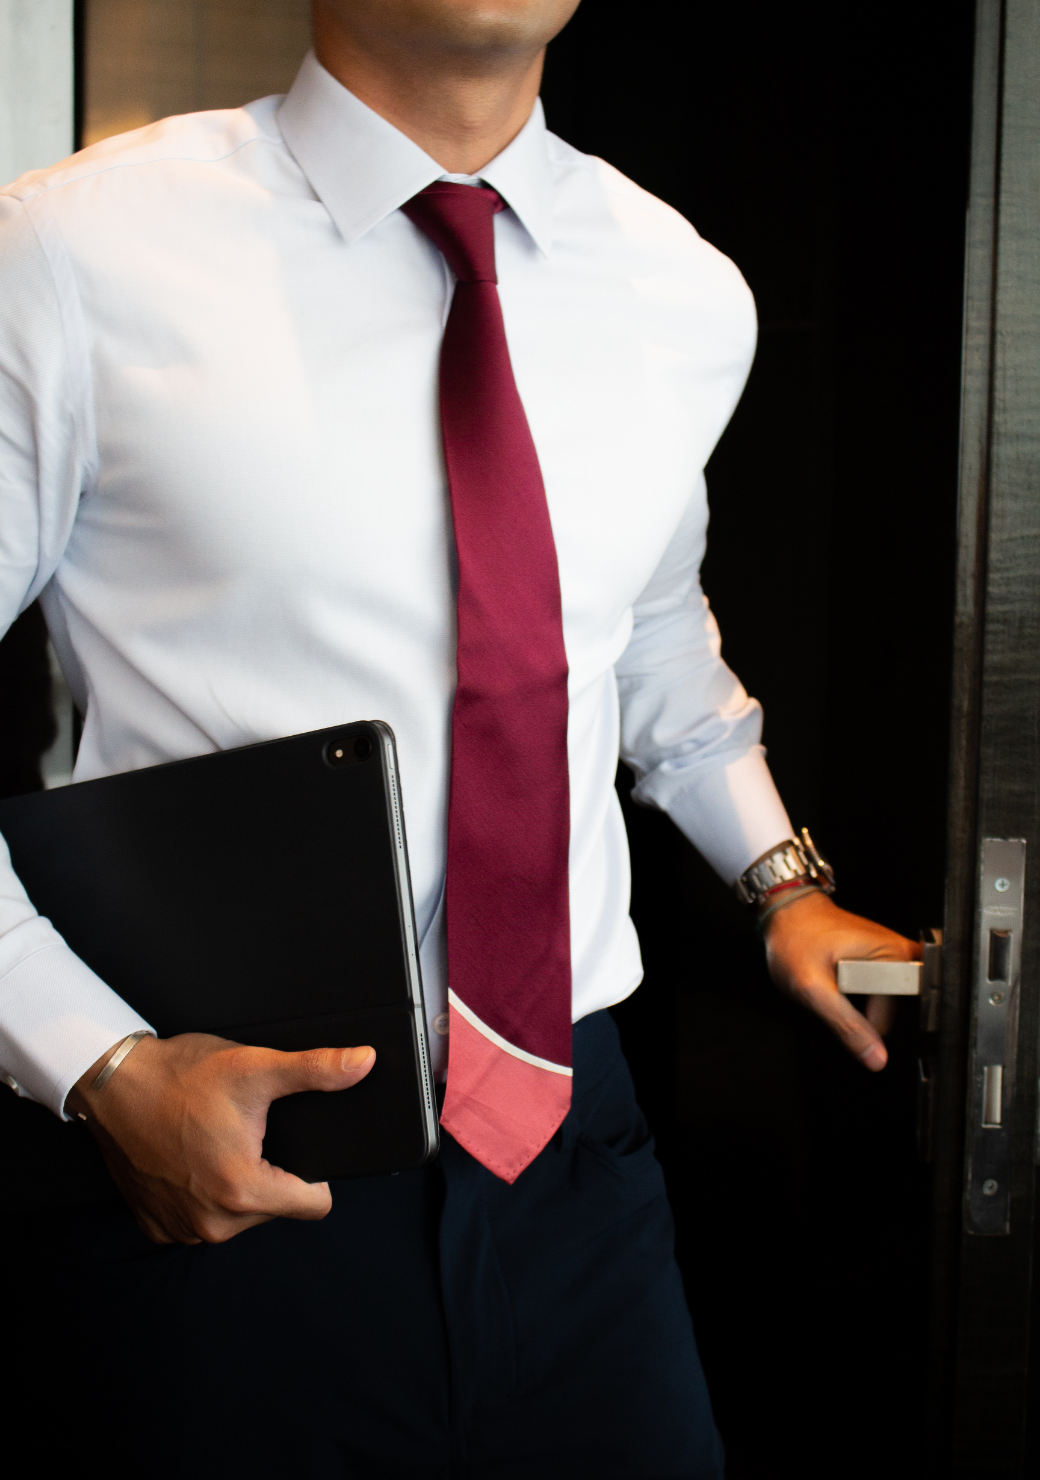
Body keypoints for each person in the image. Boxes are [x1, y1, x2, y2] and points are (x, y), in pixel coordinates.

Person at [0, 1, 919, 1475]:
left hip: (573, 1147)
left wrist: (782, 880)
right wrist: (98, 1066)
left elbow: (652, 634)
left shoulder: (682, 293)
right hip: (220, 1141)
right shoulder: (74, 253)